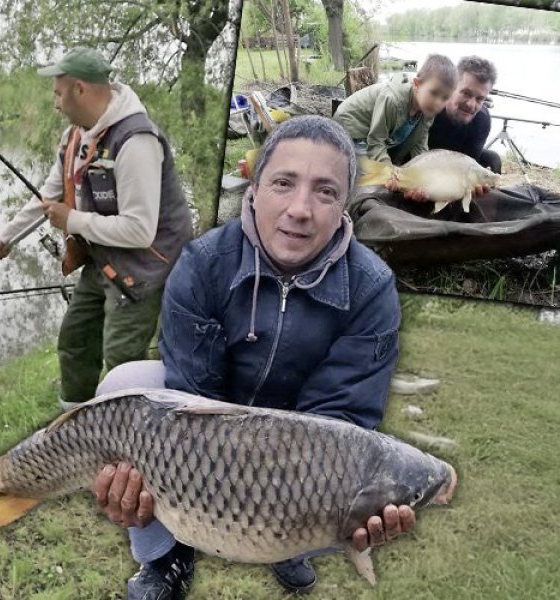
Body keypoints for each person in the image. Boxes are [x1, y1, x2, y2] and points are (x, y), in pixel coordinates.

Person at [90, 116, 412, 599]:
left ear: (344, 205)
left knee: (365, 476)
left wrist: (291, 497)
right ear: (255, 188)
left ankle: (289, 543)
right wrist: (166, 481)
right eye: (284, 183)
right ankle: (165, 558)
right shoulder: (204, 262)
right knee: (123, 385)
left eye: (324, 192)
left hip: (303, 436)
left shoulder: (371, 288)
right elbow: (189, 407)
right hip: (211, 422)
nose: (300, 209)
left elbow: (342, 421)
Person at [0, 47, 193, 408]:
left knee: (121, 363)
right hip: (105, 260)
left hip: (145, 268)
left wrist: (73, 220)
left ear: (79, 89)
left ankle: (128, 446)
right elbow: (47, 197)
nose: (55, 103)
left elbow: (140, 231)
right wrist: (7, 238)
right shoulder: (75, 139)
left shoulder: (136, 140)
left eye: (57, 92)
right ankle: (73, 427)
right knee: (74, 340)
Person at [332, 54, 457, 166]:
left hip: (373, 136)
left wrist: (422, 175)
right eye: (434, 93)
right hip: (351, 126)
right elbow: (376, 141)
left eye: (445, 98)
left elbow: (419, 148)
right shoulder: (393, 100)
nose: (438, 103)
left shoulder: (427, 112)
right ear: (417, 84)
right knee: (371, 180)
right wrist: (389, 171)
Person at [428, 56, 501, 174]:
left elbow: (468, 163)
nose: (471, 105)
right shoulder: (430, 107)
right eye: (466, 93)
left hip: (459, 160)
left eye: (480, 99)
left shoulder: (482, 120)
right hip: (424, 156)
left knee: (493, 159)